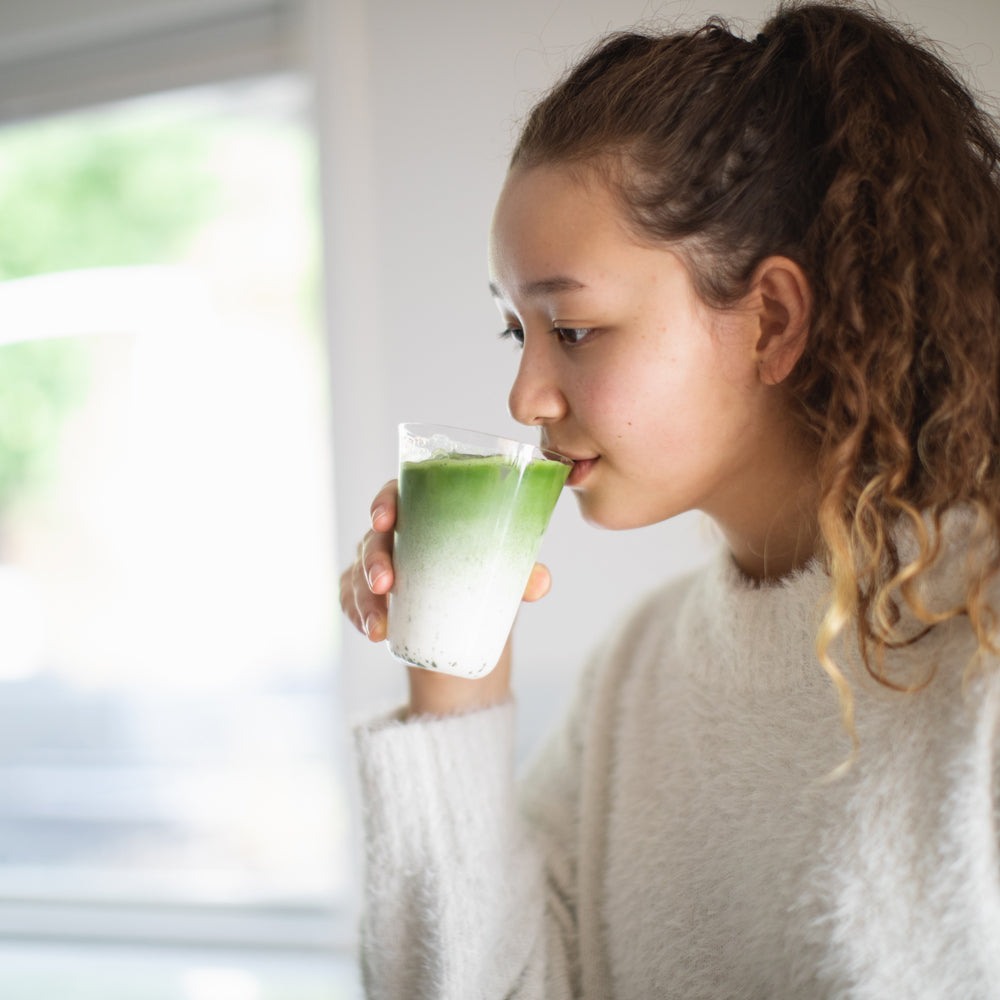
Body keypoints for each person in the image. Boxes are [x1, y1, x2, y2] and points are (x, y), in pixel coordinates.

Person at [339, 1, 1000, 996]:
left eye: (572, 327)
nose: (525, 397)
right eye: (516, 333)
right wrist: (454, 688)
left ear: (770, 320)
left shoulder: (978, 637)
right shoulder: (631, 676)